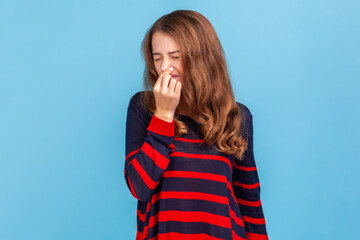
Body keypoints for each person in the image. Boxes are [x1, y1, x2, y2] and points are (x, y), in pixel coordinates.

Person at [124, 10, 269, 240]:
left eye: (175, 56)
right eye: (157, 57)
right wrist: (163, 116)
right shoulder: (143, 109)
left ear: (201, 57)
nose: (164, 67)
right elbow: (139, 187)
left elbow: (250, 202)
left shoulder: (236, 117)